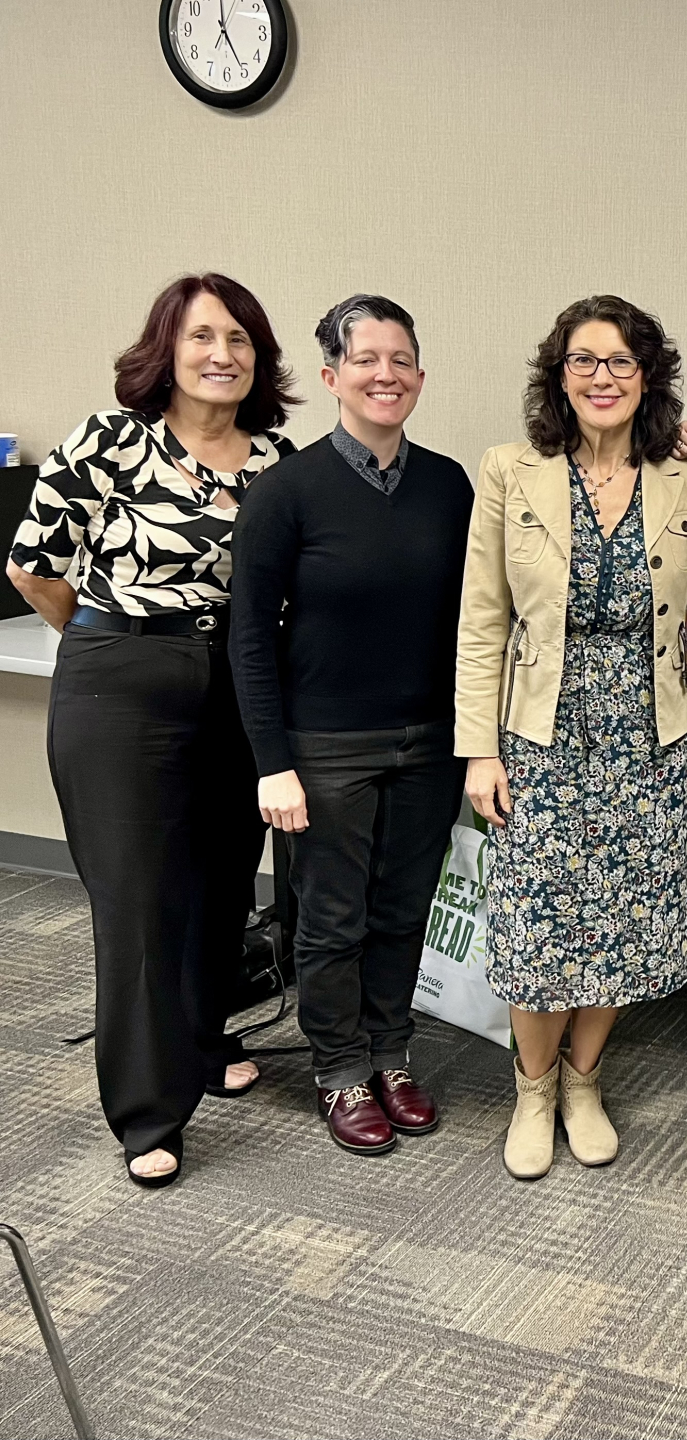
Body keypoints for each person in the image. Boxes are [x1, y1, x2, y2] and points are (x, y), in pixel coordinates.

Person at [6, 274, 298, 1188]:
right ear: (166, 349)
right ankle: (147, 1113)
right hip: (119, 686)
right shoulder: (107, 442)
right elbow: (33, 569)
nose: (223, 356)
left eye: (241, 340)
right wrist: (114, 643)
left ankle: (206, 1044)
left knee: (219, 886)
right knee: (137, 903)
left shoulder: (279, 461)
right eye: (204, 337)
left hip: (240, 687)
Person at [456, 295, 687, 1181]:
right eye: (584, 360)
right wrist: (479, 749)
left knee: (622, 919)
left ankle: (585, 1081)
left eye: (622, 362)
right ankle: (533, 1089)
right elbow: (481, 619)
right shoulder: (511, 470)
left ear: (648, 376)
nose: (602, 377)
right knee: (540, 924)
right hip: (541, 727)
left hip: (646, 729)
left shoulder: (680, 482)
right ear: (560, 375)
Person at [229, 295, 472, 1156]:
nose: (386, 374)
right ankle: (338, 1071)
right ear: (330, 375)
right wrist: (273, 761)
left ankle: (390, 1055)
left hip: (430, 743)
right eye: (366, 359)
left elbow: (475, 621)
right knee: (332, 918)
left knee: (405, 909)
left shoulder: (448, 484)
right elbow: (249, 636)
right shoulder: (285, 490)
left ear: (419, 375)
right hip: (326, 747)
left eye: (401, 359)